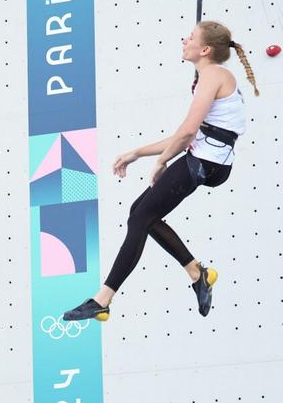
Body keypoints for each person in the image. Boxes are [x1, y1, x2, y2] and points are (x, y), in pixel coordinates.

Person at [63, 21, 259, 322]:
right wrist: (138, 153)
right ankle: (197, 273)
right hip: (208, 161)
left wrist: (161, 162)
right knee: (139, 213)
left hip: (204, 163)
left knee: (141, 218)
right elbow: (192, 135)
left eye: (191, 37)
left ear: (205, 49)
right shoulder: (211, 76)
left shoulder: (213, 75)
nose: (185, 40)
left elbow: (187, 133)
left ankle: (102, 299)